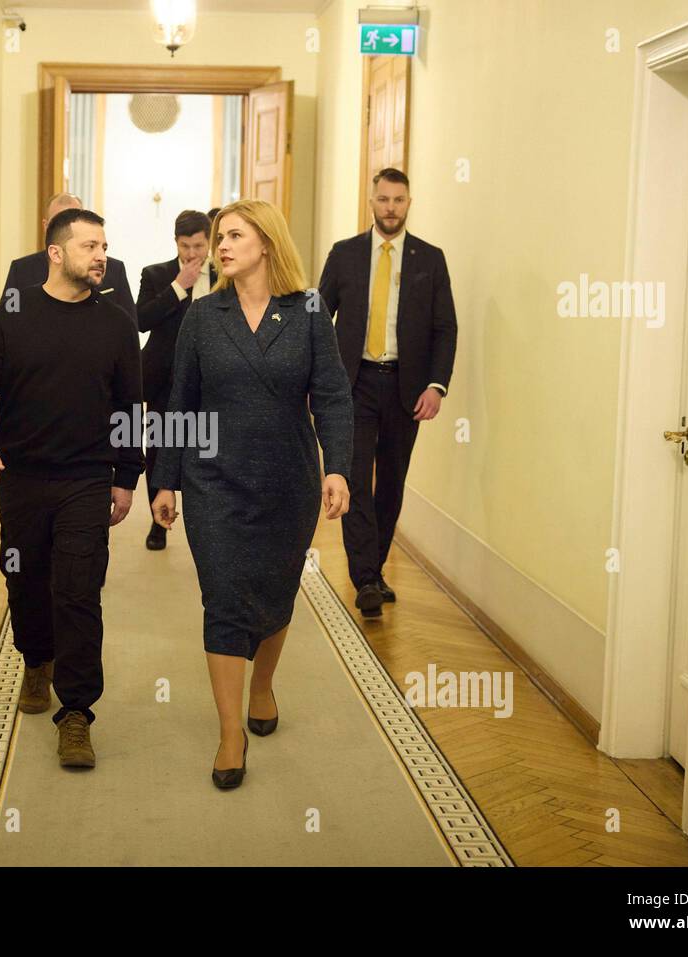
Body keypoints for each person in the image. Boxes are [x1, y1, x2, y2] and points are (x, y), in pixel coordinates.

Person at [151, 199, 353, 790]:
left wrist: (336, 468)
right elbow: (179, 401)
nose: (221, 246)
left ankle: (262, 684)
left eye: (234, 235)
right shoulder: (203, 315)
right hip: (214, 482)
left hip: (288, 482)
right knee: (224, 597)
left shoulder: (309, 311)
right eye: (219, 238)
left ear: (267, 242)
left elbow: (334, 397)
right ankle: (229, 732)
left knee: (274, 592)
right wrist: (165, 478)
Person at [0, 207, 144, 769]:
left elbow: (129, 404)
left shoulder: (114, 321)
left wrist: (127, 476)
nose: (101, 255)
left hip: (86, 478)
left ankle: (78, 713)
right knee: (24, 578)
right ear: (56, 254)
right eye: (89, 246)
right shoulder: (10, 313)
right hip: (21, 477)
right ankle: (36, 658)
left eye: (104, 245)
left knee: (79, 590)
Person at [317, 168, 457, 618]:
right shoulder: (345, 254)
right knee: (355, 477)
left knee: (392, 483)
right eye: (383, 199)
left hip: (405, 388)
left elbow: (445, 328)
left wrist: (436, 385)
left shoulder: (429, 259)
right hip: (352, 386)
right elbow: (319, 319)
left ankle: (373, 571)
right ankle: (365, 579)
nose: (390, 208)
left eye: (398, 200)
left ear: (409, 203)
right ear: (371, 201)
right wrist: (317, 380)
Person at [135, 209, 217, 550]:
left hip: (213, 379)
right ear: (176, 243)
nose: (192, 254)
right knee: (157, 451)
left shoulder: (226, 274)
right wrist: (178, 288)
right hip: (164, 378)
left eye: (199, 245)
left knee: (207, 451)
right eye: (186, 246)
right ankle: (159, 522)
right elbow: (140, 320)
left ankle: (211, 523)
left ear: (209, 242)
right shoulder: (156, 275)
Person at [0, 192, 136, 322]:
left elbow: (128, 323)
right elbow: (8, 317)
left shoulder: (113, 270)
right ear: (46, 226)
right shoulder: (22, 270)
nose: (101, 257)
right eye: (60, 221)